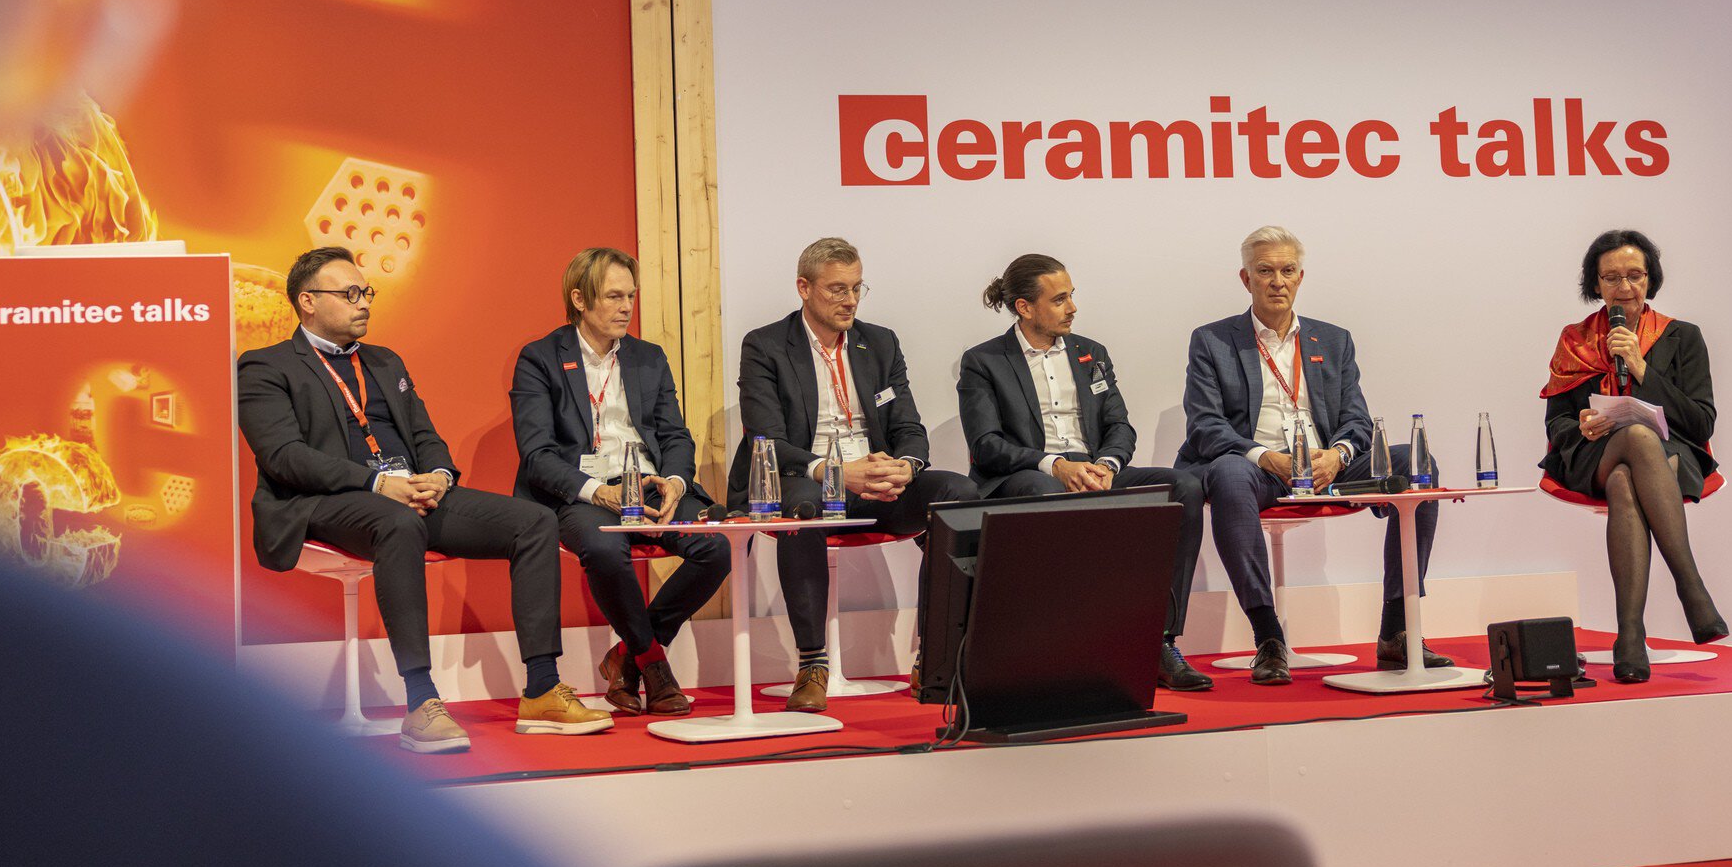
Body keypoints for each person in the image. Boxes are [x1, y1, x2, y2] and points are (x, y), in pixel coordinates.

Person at [238, 246, 611, 752]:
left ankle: (543, 689)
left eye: (365, 292)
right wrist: (375, 483)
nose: (363, 302)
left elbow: (425, 434)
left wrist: (437, 474)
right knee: (398, 523)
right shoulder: (265, 366)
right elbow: (284, 457)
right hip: (325, 502)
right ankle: (421, 701)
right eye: (349, 293)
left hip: (408, 492)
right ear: (307, 301)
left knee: (534, 521)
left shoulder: (385, 360)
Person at [1177, 225, 1448, 685]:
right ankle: (1268, 637)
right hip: (1259, 467)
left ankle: (1397, 629)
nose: (1277, 281)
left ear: (1301, 277)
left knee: (1413, 462)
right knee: (1226, 473)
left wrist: (1338, 455)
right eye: (1265, 271)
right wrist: (1265, 456)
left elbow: (1357, 420)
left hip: (1325, 465)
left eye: (1287, 271)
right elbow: (1205, 425)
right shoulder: (1213, 340)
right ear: (1246, 279)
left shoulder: (1333, 339)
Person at [730, 237, 976, 713]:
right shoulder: (765, 346)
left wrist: (906, 466)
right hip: (808, 476)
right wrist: (840, 474)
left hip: (876, 482)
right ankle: (812, 662)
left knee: (957, 493)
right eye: (836, 289)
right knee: (803, 501)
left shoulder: (879, 342)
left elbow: (908, 426)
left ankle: (938, 654)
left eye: (857, 288)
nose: (849, 301)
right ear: (804, 288)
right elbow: (767, 440)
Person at [958, 254, 1212, 692]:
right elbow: (986, 445)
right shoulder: (984, 361)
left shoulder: (1090, 353)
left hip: (1093, 468)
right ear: (1024, 307)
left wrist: (1107, 465)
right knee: (1042, 490)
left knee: (1182, 486)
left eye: (1072, 295)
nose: (1073, 307)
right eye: (1059, 299)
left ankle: (1160, 640)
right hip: (1027, 474)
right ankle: (1050, 645)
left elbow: (1119, 426)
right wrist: (1054, 464)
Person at [511, 247, 730, 716]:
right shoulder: (540, 359)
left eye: (630, 296)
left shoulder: (648, 358)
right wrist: (598, 492)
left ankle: (626, 657)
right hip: (580, 491)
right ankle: (652, 663)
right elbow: (537, 456)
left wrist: (674, 480)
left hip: (648, 482)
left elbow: (674, 434)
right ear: (580, 299)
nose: (627, 307)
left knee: (716, 545)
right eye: (613, 297)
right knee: (606, 548)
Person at [1541, 229, 1728, 683]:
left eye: (1634, 276)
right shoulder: (1576, 339)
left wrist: (1642, 369)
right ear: (1596, 284)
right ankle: (1691, 586)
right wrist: (1582, 425)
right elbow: (1556, 423)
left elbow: (1701, 423)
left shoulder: (1683, 337)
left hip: (1670, 457)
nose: (1624, 288)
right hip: (1590, 456)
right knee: (1633, 444)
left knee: (1630, 472)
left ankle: (1628, 636)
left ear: (1650, 279)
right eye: (1610, 278)